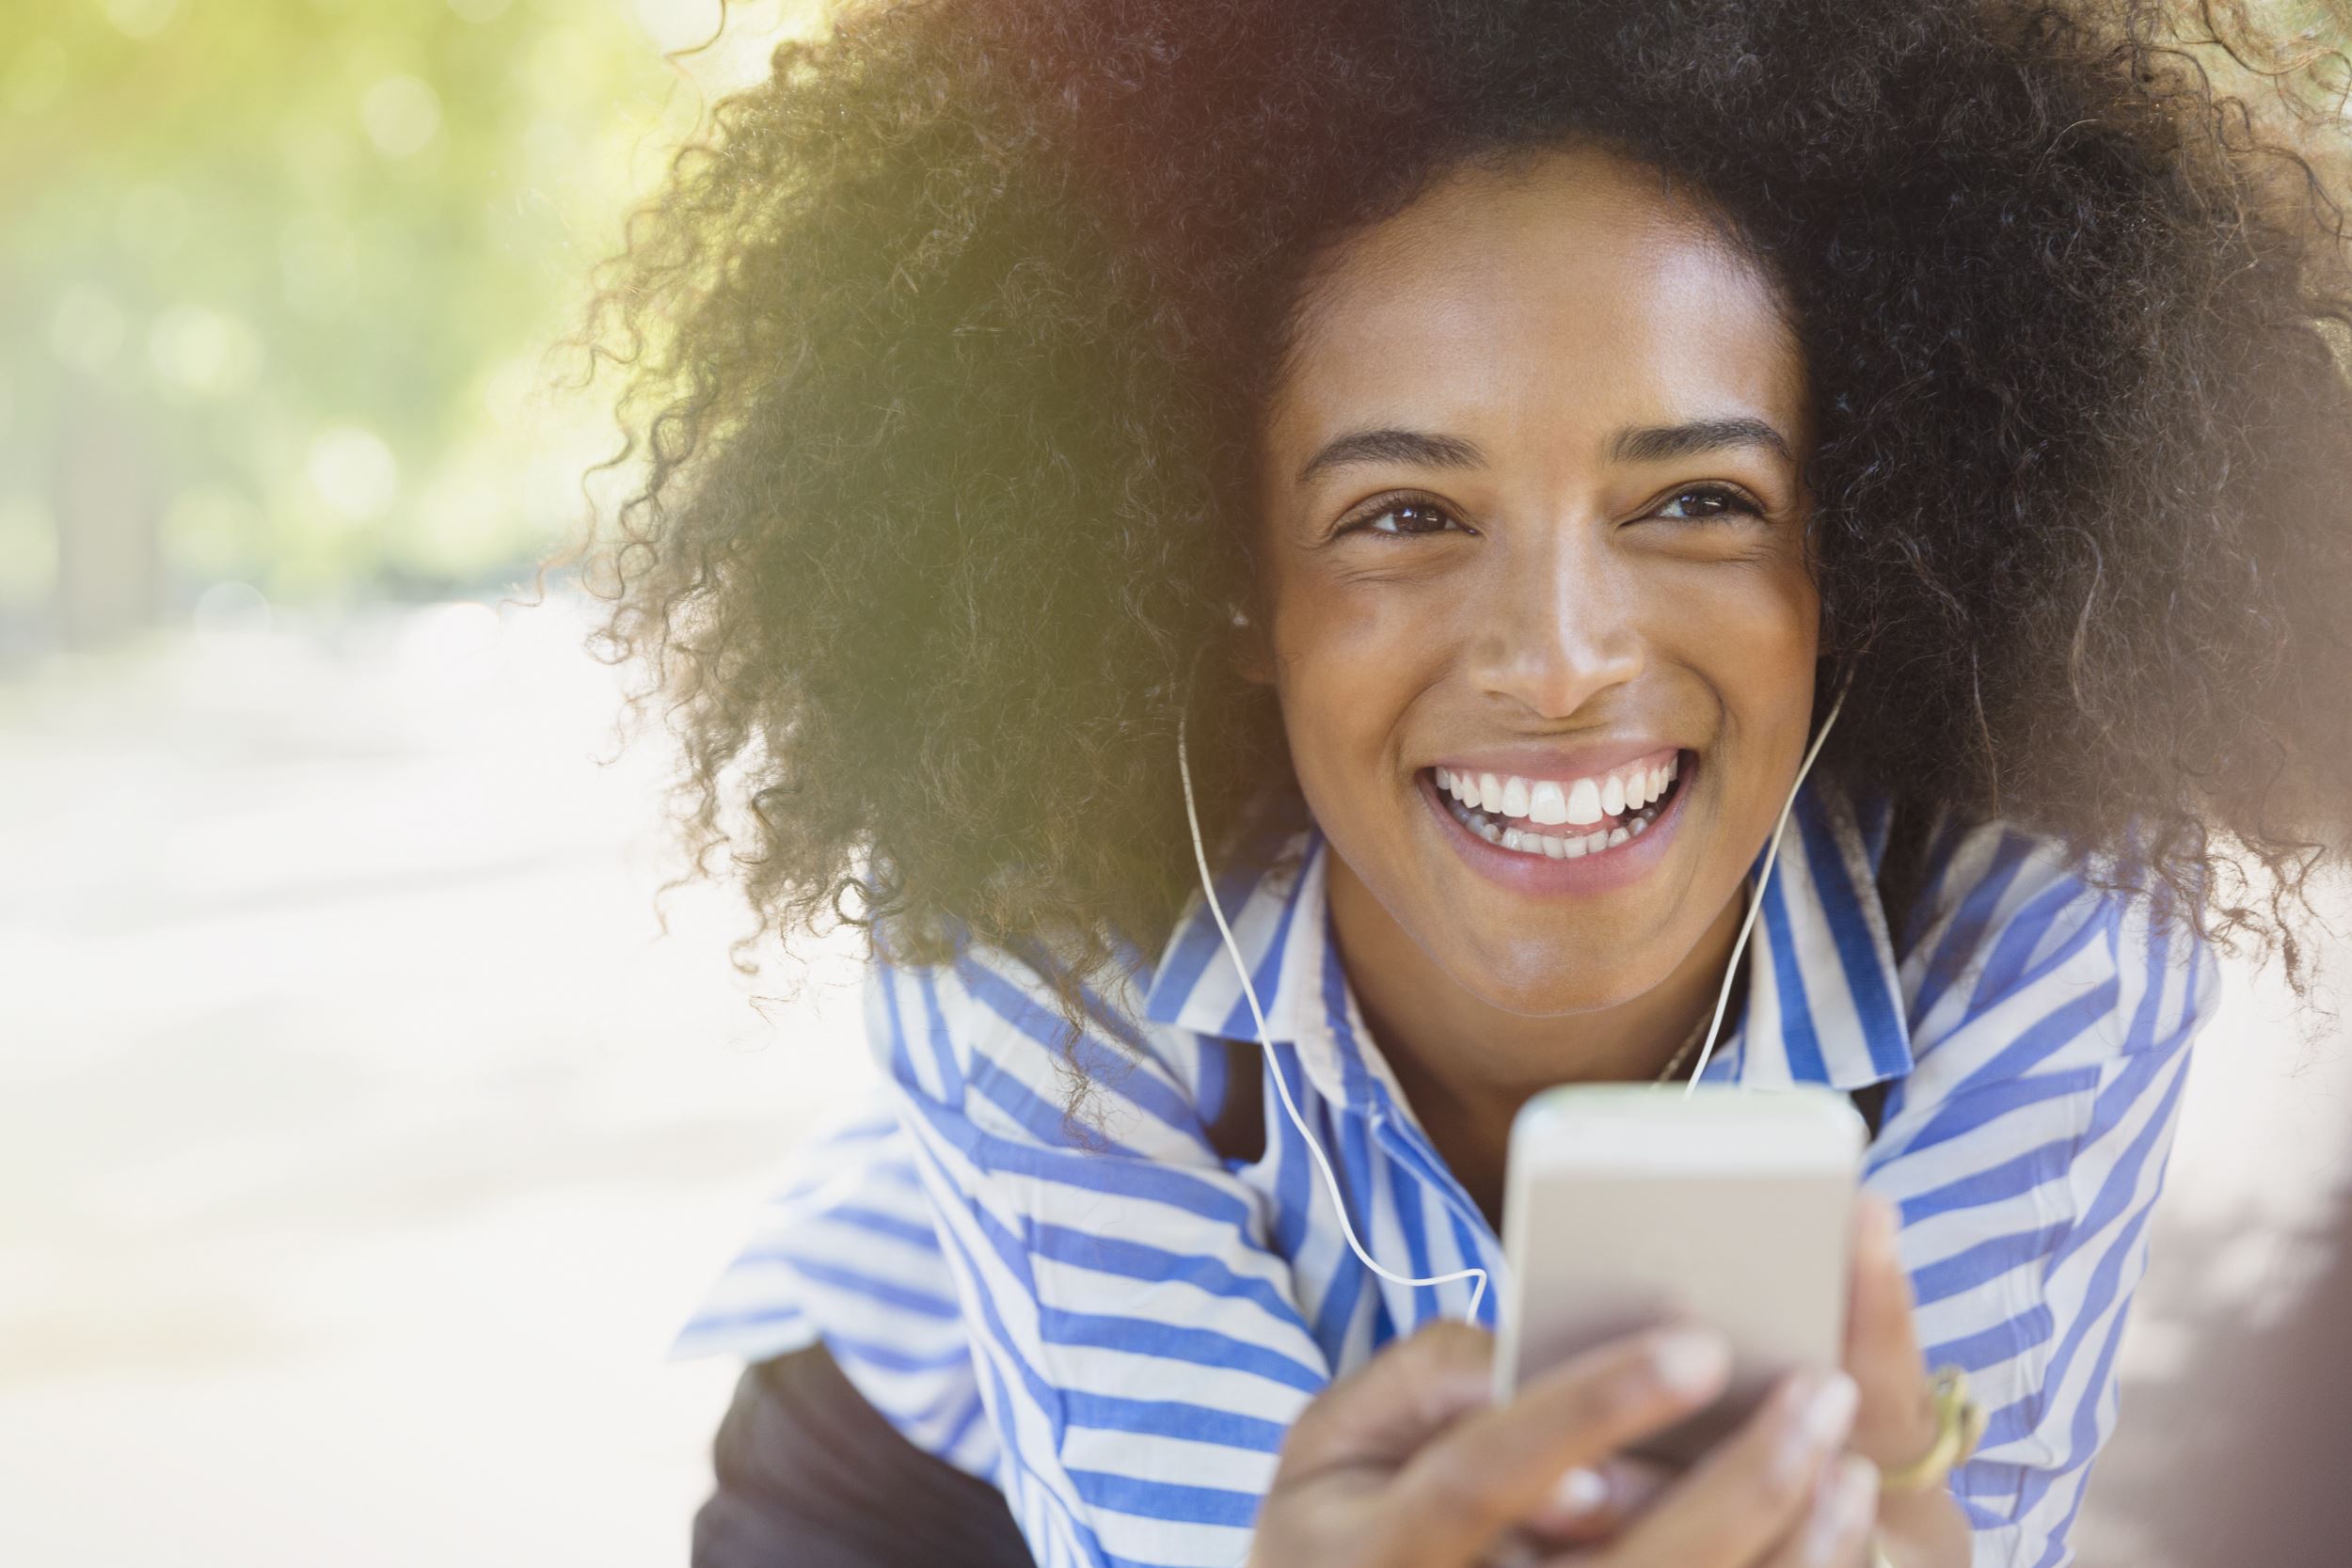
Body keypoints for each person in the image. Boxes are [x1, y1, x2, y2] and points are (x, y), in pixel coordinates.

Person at [576, 1, 2352, 1563]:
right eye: (1405, 517)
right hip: (931, 1497)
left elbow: (1957, 1517)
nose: (1563, 658)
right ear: (1230, 584)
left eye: (1698, 502)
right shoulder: (1022, 918)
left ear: (1859, 552)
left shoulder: (2051, 936)